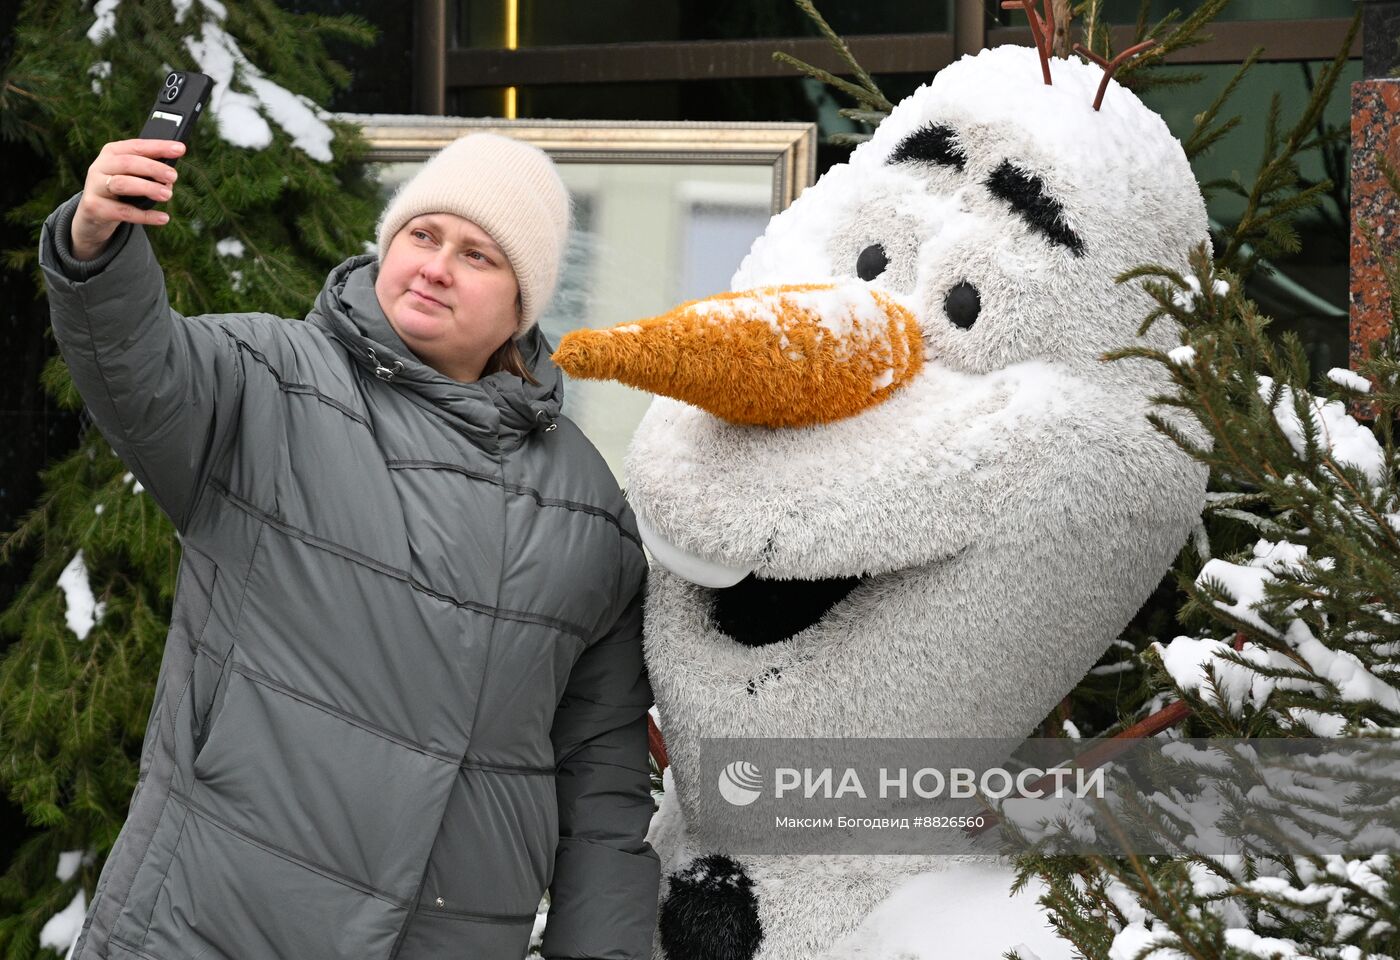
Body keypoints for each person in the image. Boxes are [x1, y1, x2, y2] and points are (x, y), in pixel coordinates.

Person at [40, 132, 659, 960]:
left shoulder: (589, 509)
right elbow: (137, 362)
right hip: (206, 920)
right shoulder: (269, 382)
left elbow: (603, 788)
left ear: (523, 304)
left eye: (478, 254)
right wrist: (98, 246)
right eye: (422, 236)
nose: (436, 266)